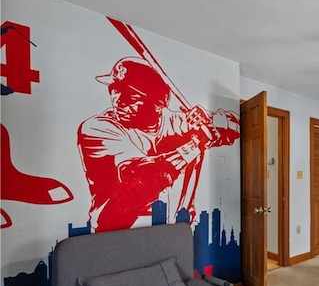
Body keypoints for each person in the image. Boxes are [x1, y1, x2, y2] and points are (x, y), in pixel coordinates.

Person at [77, 56, 240, 232]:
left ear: (157, 103)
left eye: (131, 95)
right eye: (114, 89)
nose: (118, 101)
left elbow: (238, 126)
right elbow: (140, 179)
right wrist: (195, 144)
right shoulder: (97, 129)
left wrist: (212, 119)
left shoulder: (176, 122)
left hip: (176, 232)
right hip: (117, 236)